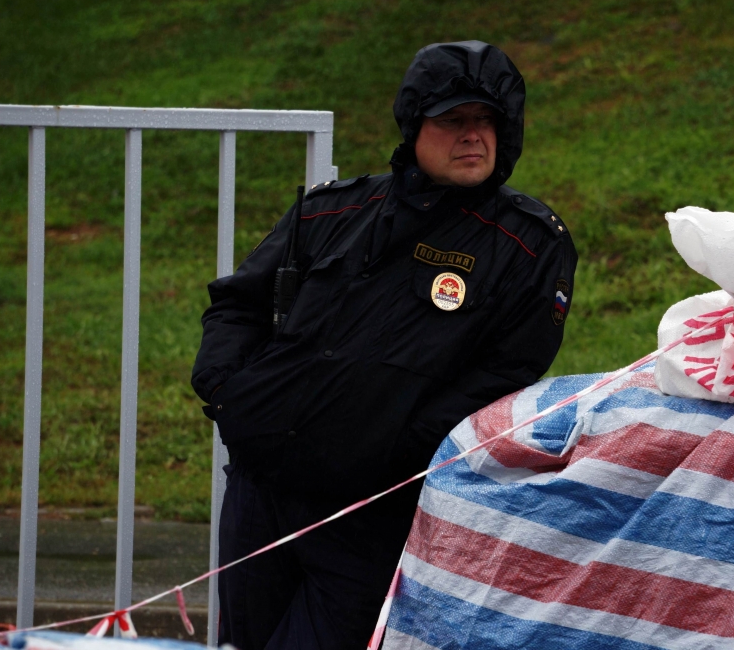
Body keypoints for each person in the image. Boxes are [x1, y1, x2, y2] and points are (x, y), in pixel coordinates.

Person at [191, 40, 577, 649]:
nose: (473, 136)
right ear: (414, 126)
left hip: (369, 514)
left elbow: (507, 372)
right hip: (259, 494)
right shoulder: (331, 211)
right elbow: (238, 304)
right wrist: (230, 392)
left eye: (486, 122)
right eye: (453, 121)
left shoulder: (527, 245)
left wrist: (397, 446)